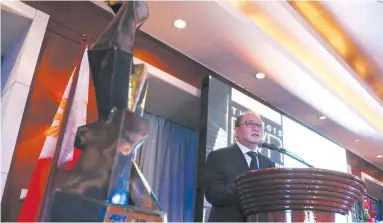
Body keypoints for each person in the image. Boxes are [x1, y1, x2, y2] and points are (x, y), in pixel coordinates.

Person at [204, 111, 275, 222]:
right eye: (250, 124)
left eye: (260, 125)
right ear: (236, 131)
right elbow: (213, 194)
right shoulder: (219, 156)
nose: (256, 128)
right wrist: (248, 186)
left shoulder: (268, 164)